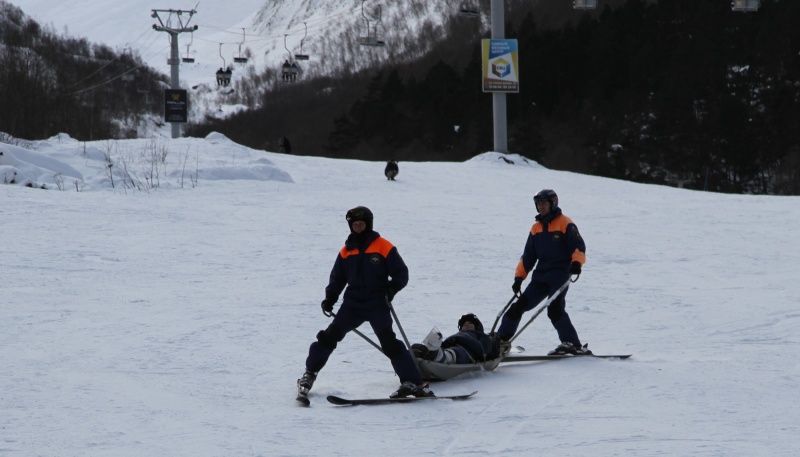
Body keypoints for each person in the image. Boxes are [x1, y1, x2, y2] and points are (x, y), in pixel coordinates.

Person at [297, 206, 433, 399]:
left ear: (368, 224)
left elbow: (401, 273)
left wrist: (391, 289)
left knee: (390, 344)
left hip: (377, 303)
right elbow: (337, 278)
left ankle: (412, 382)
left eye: (361, 224)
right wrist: (330, 298)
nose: (358, 227)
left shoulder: (383, 246)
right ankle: (309, 373)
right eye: (354, 225)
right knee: (329, 337)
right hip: (352, 305)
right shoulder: (346, 251)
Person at [494, 189, 591, 356]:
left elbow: (578, 246)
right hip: (541, 277)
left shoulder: (565, 223)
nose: (541, 207)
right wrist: (519, 277)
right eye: (538, 204)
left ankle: (572, 344)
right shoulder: (536, 228)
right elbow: (528, 256)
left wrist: (576, 263)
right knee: (518, 307)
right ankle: (501, 341)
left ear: (553, 204)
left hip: (560, 275)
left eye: (544, 203)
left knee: (555, 309)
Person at [412, 313, 495, 364]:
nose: (466, 325)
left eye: (470, 323)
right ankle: (426, 352)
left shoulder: (481, 336)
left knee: (456, 353)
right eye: (464, 324)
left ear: (477, 327)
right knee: (446, 349)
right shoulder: (457, 335)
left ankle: (437, 356)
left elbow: (483, 350)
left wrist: (459, 339)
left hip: (468, 354)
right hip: (451, 348)